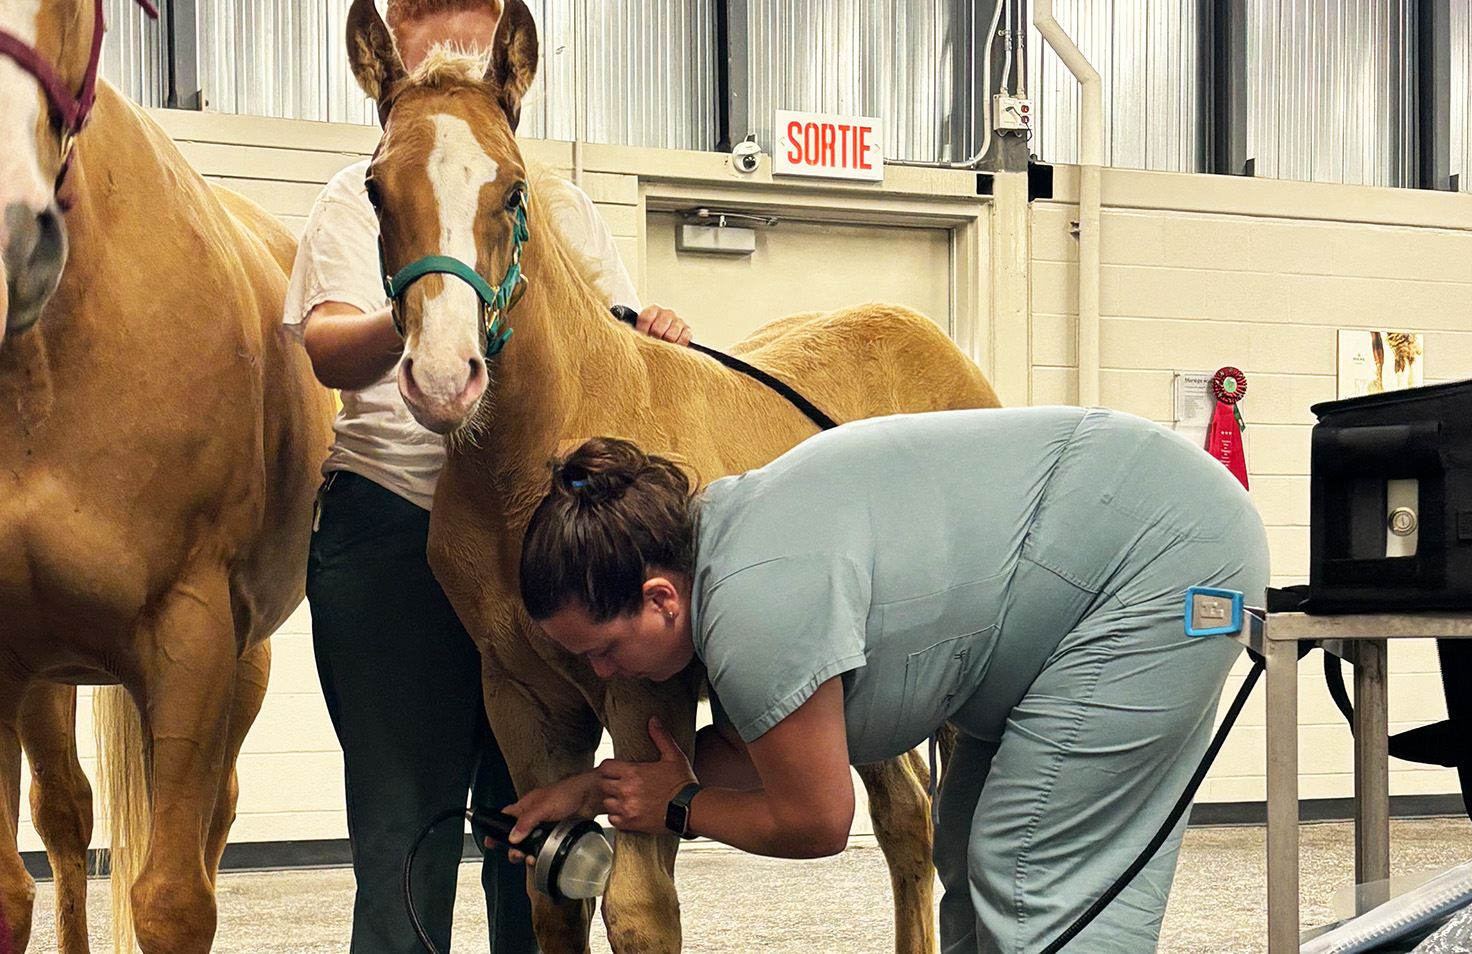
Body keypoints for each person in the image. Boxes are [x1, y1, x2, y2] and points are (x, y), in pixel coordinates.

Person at [501, 406, 1270, 954]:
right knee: (971, 846)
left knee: (1030, 869)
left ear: (659, 598)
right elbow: (760, 759)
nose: (602, 675)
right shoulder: (719, 548)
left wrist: (685, 809)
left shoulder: (754, 605)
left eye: (601, 650)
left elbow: (816, 820)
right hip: (1118, 554)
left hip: (1160, 560)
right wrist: (588, 793)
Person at [282, 1, 690, 951]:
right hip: (393, 522)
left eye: (475, 41)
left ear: (512, 70)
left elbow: (610, 349)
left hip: (540, 537)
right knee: (403, 833)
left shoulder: (556, 204)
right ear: (389, 55)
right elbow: (330, 349)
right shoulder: (361, 194)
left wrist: (654, 335)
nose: (452, 64)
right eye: (431, 43)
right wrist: (431, 314)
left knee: (538, 834)